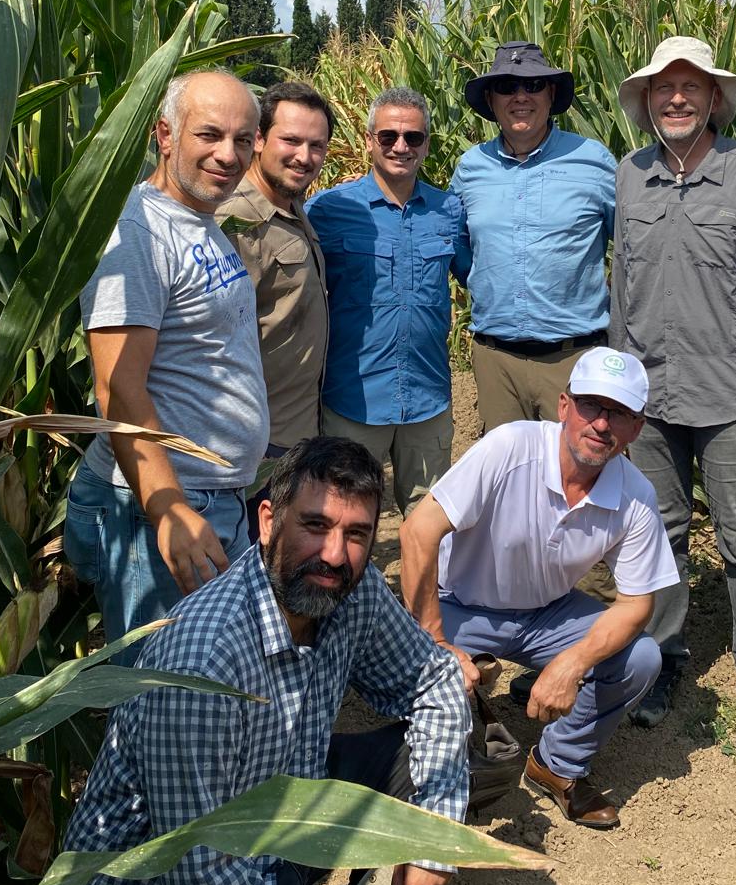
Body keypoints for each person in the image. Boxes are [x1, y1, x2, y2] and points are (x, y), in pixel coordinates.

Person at [62, 436, 471, 885]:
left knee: (435, 765)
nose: (334, 554)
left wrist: (432, 839)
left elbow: (434, 678)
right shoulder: (203, 663)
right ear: (267, 521)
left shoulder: (348, 592)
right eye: (316, 525)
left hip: (272, 840)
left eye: (356, 535)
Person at [609, 37, 736, 752]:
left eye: (691, 87)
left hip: (733, 395)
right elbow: (621, 287)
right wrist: (620, 389)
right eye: (664, 88)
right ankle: (662, 663)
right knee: (659, 538)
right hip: (651, 398)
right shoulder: (631, 175)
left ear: (715, 98)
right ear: (647, 101)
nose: (677, 98)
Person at [400, 347, 677, 831]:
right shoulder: (511, 448)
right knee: (415, 671)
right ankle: (426, 770)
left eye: (619, 413)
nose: (601, 424)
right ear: (564, 406)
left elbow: (637, 604)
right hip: (457, 604)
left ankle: (558, 763)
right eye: (591, 405)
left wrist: (572, 662)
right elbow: (418, 532)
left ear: (636, 428)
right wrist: (436, 640)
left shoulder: (635, 496)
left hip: (546, 612)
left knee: (641, 657)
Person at [64, 70, 269, 647]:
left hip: (211, 499)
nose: (228, 154)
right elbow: (117, 385)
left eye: (243, 139)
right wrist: (169, 508)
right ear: (165, 134)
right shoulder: (138, 230)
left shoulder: (198, 221)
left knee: (205, 674)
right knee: (157, 687)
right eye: (209, 134)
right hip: (159, 505)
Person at [306, 88, 469, 516]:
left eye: (413, 137)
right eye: (388, 136)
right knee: (343, 518)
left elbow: (479, 278)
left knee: (430, 522)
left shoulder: (449, 210)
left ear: (426, 144)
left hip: (427, 399)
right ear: (368, 140)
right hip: (353, 400)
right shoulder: (327, 210)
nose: (401, 146)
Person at [451, 42, 616, 432]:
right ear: (491, 100)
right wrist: (487, 281)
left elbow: (630, 247)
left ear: (551, 93)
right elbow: (457, 242)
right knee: (508, 468)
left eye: (534, 84)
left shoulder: (594, 161)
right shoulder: (470, 167)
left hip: (573, 359)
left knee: (576, 468)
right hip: (496, 363)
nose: (521, 96)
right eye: (507, 87)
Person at [218, 81, 333, 460]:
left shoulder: (291, 205)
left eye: (316, 145)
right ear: (259, 139)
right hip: (256, 438)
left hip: (296, 427)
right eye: (291, 141)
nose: (304, 156)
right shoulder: (235, 222)